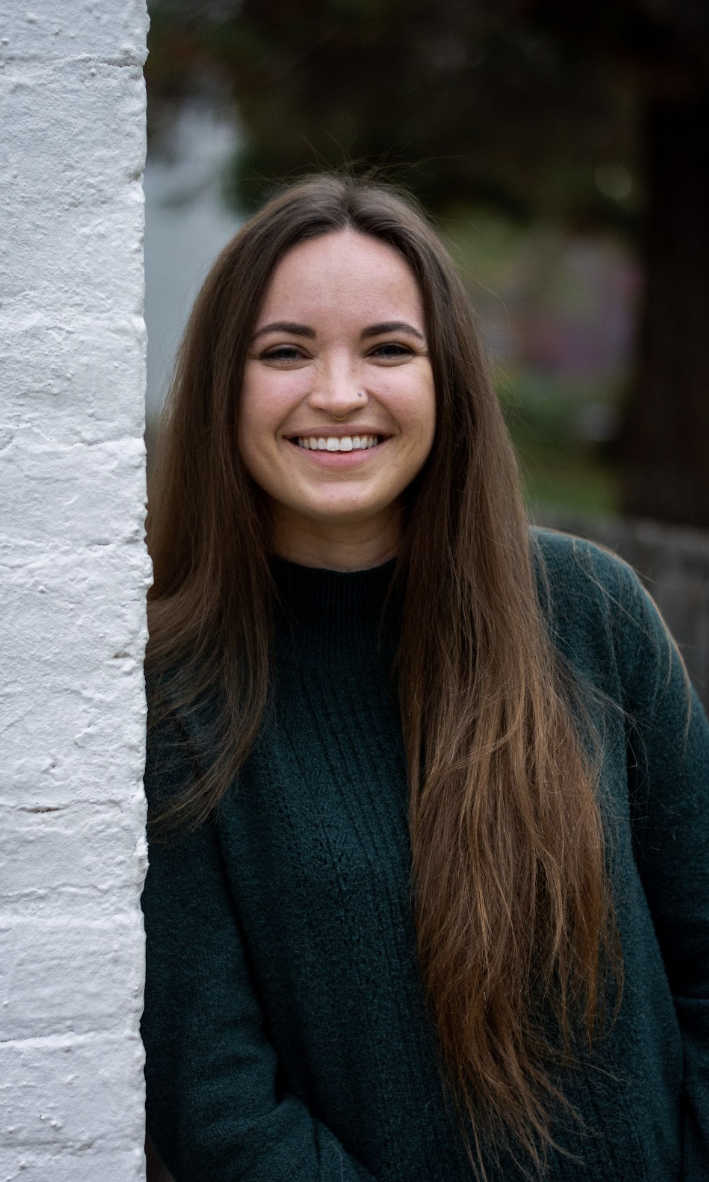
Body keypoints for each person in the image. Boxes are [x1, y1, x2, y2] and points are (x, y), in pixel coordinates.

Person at [141, 175, 709, 1182]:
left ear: (446, 379)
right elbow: (218, 1108)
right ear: (223, 385)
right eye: (285, 352)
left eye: (389, 348)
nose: (340, 393)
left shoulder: (594, 613)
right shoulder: (171, 699)